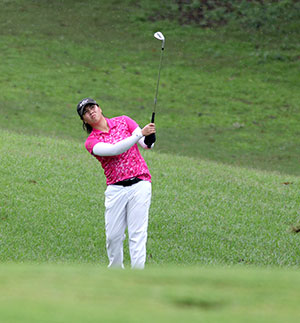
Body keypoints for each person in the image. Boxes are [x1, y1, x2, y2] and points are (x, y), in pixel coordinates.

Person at [77, 98, 156, 269]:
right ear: (84, 120)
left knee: (137, 234)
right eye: (86, 112)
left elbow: (146, 145)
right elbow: (114, 150)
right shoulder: (91, 142)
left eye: (92, 107)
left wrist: (150, 136)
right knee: (113, 237)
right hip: (116, 189)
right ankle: (115, 273)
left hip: (140, 183)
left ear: (100, 107)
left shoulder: (124, 121)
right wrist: (139, 134)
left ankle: (138, 277)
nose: (91, 112)